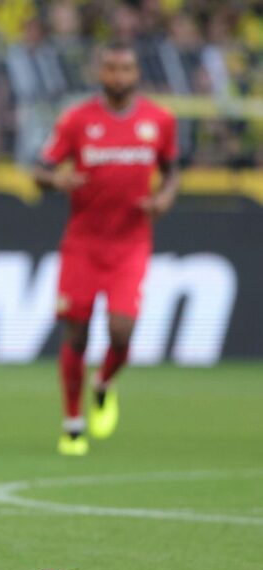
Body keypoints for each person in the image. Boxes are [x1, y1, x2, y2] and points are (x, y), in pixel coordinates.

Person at [34, 43, 178, 456]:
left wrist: (165, 198)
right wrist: (54, 181)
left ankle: (104, 382)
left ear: (136, 73)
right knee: (76, 333)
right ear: (101, 72)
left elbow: (172, 173)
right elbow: (40, 170)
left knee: (121, 331)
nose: (119, 75)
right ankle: (73, 423)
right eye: (112, 67)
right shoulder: (77, 120)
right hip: (83, 243)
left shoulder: (159, 120)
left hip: (130, 244)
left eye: (126, 67)